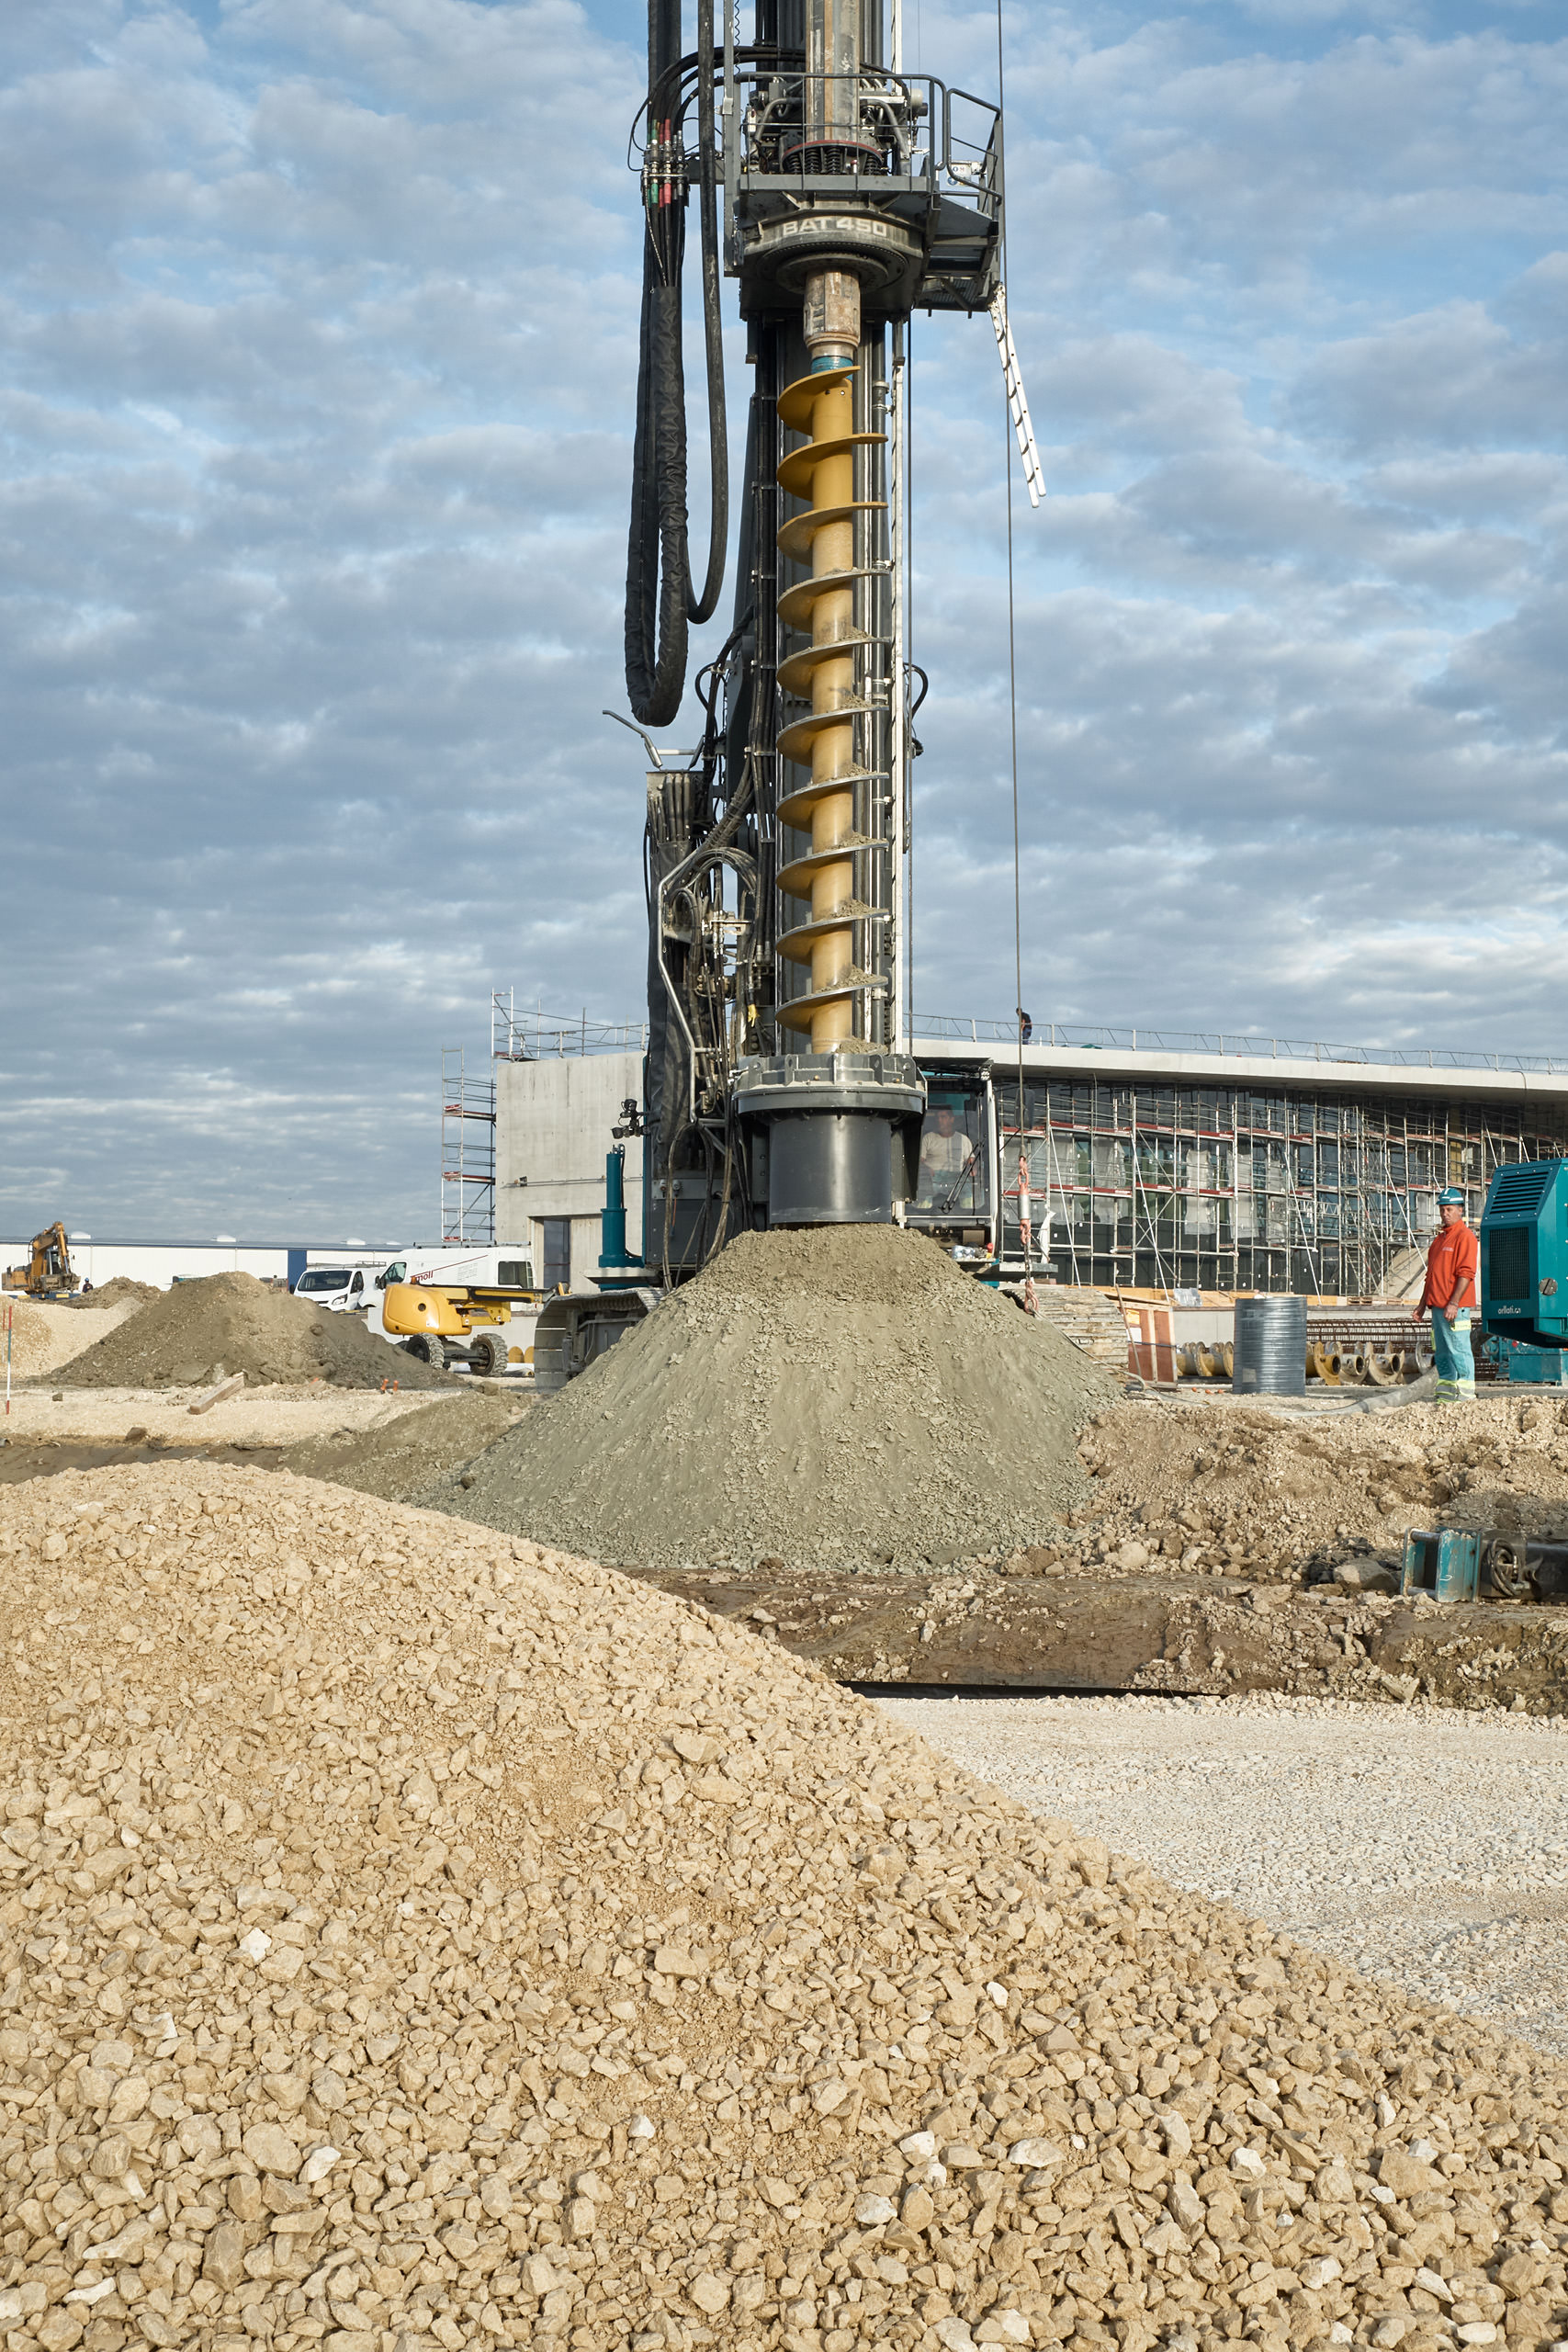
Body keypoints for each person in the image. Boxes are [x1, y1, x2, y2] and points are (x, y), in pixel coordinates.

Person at [1413, 1187, 1478, 1402]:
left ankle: (1466, 1396)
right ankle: (1447, 1396)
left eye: (1449, 1209)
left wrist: (1454, 1303)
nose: (1445, 1213)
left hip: (1454, 1308)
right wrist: (1422, 1305)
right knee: (1442, 1353)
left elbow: (1466, 1274)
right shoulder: (1439, 1241)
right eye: (1442, 1209)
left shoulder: (1465, 1237)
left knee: (1459, 1350)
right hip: (1438, 1308)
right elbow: (1430, 1277)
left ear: (1460, 1210)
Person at [917, 1103, 976, 1208]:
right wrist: (926, 1169)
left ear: (951, 1119)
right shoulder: (928, 1138)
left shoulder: (963, 1139)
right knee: (924, 1191)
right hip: (932, 1179)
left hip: (956, 1179)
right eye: (938, 1118)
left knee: (967, 1190)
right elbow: (919, 1161)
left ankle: (969, 1214)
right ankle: (920, 1215)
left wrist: (972, 1167)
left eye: (943, 1117)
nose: (940, 1120)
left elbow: (971, 1161)